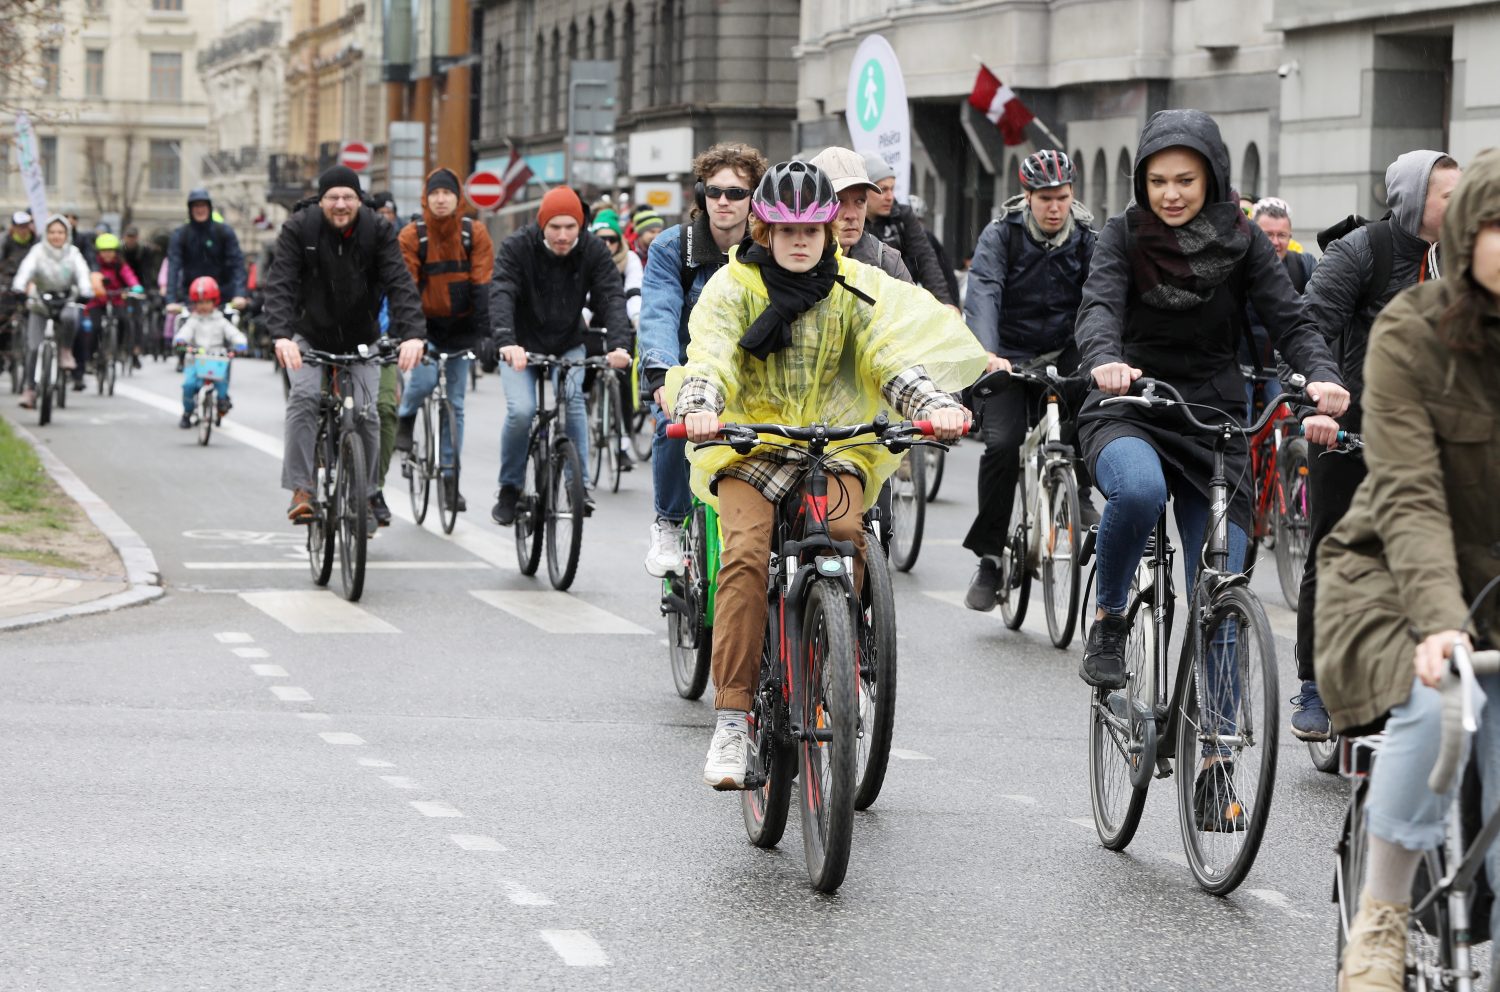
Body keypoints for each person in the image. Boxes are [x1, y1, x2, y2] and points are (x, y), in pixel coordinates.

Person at [671, 160, 987, 788]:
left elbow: (890, 359)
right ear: (763, 231)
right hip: (750, 444)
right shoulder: (731, 288)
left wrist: (934, 406)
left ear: (826, 232)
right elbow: (711, 356)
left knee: (846, 536)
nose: (799, 242)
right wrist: (700, 406)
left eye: (811, 231)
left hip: (832, 443)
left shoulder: (855, 288)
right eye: (786, 231)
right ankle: (732, 719)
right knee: (745, 554)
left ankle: (837, 660)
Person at [1072, 110, 1349, 828]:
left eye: (1186, 180)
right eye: (1158, 180)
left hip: (1213, 420)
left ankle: (1214, 763)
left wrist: (1321, 375)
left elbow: (1291, 322)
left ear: (1213, 179)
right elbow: (1098, 308)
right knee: (1138, 490)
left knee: (1221, 584)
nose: (1170, 194)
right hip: (1129, 403)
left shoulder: (1245, 239)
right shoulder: (1122, 235)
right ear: (1142, 181)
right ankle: (1109, 617)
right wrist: (1105, 359)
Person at [1313, 148, 1500, 992]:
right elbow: (1411, 497)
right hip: (1392, 580)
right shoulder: (1410, 332)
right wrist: (1440, 623)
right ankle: (1382, 916)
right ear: (1464, 233)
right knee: (1439, 702)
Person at [1290, 151, 1462, 744]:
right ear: (1415, 201)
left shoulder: (1466, 259)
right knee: (1335, 545)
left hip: (1428, 433)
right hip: (1347, 424)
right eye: (1449, 197)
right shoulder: (1362, 251)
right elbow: (1307, 327)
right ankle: (1316, 683)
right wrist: (1317, 402)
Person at [961, 149, 1100, 611]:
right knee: (1002, 446)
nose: (1054, 207)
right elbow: (984, 291)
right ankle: (989, 559)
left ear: (1072, 194)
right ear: (1027, 197)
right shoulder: (1001, 235)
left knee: (1094, 403)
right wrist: (988, 353)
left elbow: (1101, 297)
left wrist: (1102, 355)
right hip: (1010, 356)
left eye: (1062, 197)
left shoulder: (1088, 239)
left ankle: (1080, 488)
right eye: (1044, 199)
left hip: (1066, 350)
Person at [261, 165, 427, 523]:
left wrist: (414, 334)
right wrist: (280, 336)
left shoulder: (378, 230)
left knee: (368, 412)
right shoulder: (299, 228)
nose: (340, 204)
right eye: (333, 197)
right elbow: (281, 285)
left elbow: (400, 283)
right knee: (304, 397)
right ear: (320, 201)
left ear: (360, 200)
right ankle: (302, 488)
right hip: (310, 333)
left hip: (361, 337)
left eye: (348, 197)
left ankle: (365, 494)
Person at [637, 142, 769, 576]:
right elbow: (658, 312)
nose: (723, 201)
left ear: (754, 199)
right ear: (701, 195)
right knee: (672, 422)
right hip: (684, 368)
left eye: (736, 192)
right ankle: (669, 524)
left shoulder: (770, 248)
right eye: (714, 191)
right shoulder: (672, 247)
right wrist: (661, 376)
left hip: (747, 375)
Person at [486, 186, 632, 526]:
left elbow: (611, 296)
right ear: (542, 225)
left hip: (568, 341)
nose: (563, 235)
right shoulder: (517, 246)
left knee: (573, 400)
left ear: (580, 225)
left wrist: (620, 345)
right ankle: (509, 487)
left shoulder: (593, 249)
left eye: (570, 227)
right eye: (555, 227)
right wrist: (505, 340)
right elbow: (502, 291)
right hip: (520, 346)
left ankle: (578, 486)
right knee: (522, 411)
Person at [393, 168, 495, 514]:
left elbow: (483, 284)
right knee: (422, 381)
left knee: (456, 405)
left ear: (457, 198)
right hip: (423, 327)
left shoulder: (473, 233)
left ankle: (451, 479)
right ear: (426, 198)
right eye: (434, 193)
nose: (440, 200)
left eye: (447, 193)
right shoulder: (412, 235)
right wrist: (412, 335)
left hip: (461, 327)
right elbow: (405, 289)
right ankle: (406, 416)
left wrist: (486, 334)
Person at [1241, 196, 1318, 412]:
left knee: (1287, 417)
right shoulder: (1236, 266)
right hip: (1239, 367)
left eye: (1282, 235)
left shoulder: (1302, 265)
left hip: (1282, 369)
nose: (1275, 242)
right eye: (1268, 235)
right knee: (1238, 421)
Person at [10, 216, 91, 409]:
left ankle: (66, 351)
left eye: (60, 232)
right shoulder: (37, 251)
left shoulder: (73, 253)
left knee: (71, 316)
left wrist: (86, 291)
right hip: (40, 302)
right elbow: (25, 270)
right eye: (52, 232)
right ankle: (30, 389)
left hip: (66, 299)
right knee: (33, 347)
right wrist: (19, 288)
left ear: (66, 234)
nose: (56, 236)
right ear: (46, 234)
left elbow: (82, 273)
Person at [862, 151, 957, 307]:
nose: (890, 197)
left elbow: (926, 259)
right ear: (864, 190)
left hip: (903, 303)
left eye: (892, 189)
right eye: (883, 190)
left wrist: (944, 303)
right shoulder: (851, 221)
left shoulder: (903, 217)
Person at [807, 146, 913, 281]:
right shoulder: (792, 264)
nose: (852, 215)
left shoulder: (888, 263)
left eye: (860, 201)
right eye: (839, 201)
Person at [173, 275, 248, 427]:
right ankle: (187, 412)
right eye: (200, 302)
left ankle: (222, 402)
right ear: (194, 303)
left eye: (207, 302)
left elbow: (234, 334)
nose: (204, 306)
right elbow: (184, 333)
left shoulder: (221, 320)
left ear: (214, 302)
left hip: (216, 359)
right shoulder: (193, 321)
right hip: (195, 360)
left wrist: (240, 344)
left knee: (221, 386)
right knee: (188, 385)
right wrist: (181, 341)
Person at [166, 188, 247, 311]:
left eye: (203, 205)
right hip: (191, 299)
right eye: (196, 206)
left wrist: (239, 294)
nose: (200, 210)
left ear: (209, 207)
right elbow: (173, 266)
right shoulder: (180, 235)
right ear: (190, 209)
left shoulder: (224, 232)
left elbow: (237, 263)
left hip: (222, 297)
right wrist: (171, 300)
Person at [83, 232, 142, 388]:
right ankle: (90, 357)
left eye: (110, 251)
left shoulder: (120, 264)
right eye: (104, 251)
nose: (107, 254)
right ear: (99, 252)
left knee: (124, 321)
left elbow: (129, 276)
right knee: (94, 327)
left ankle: (119, 348)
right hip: (97, 302)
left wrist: (135, 286)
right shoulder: (94, 265)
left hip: (116, 300)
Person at [906, 194, 963, 306]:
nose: (914, 227)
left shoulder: (927, 239)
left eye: (919, 221)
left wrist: (950, 304)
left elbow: (942, 272)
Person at [0, 212, 35, 367]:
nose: (23, 230)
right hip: (7, 281)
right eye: (19, 226)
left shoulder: (36, 242)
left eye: (25, 226)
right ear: (13, 227)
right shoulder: (4, 241)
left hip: (29, 283)